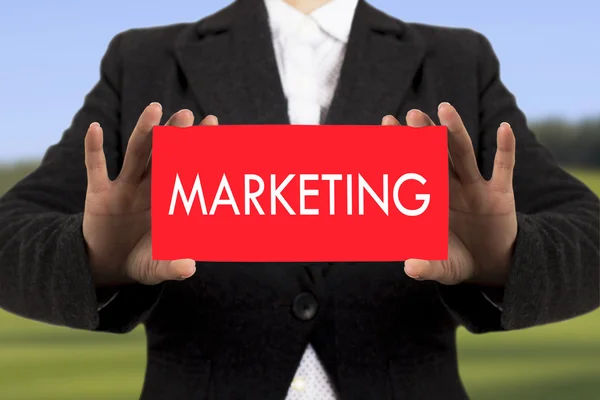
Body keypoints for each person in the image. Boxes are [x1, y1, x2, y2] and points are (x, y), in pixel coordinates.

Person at [0, 0, 598, 399]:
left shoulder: (458, 61)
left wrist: (508, 258)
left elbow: (588, 236)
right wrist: (92, 259)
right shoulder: (143, 60)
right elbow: (11, 236)